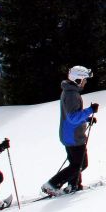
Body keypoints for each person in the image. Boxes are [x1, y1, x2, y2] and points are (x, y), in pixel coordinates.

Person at [41, 65, 98, 197]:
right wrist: (90, 110)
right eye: (84, 79)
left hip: (69, 134)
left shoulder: (70, 91)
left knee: (75, 163)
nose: (85, 82)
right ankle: (52, 185)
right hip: (73, 136)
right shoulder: (72, 94)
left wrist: (86, 119)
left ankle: (74, 185)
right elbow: (72, 117)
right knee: (81, 164)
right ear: (78, 80)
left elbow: (72, 115)